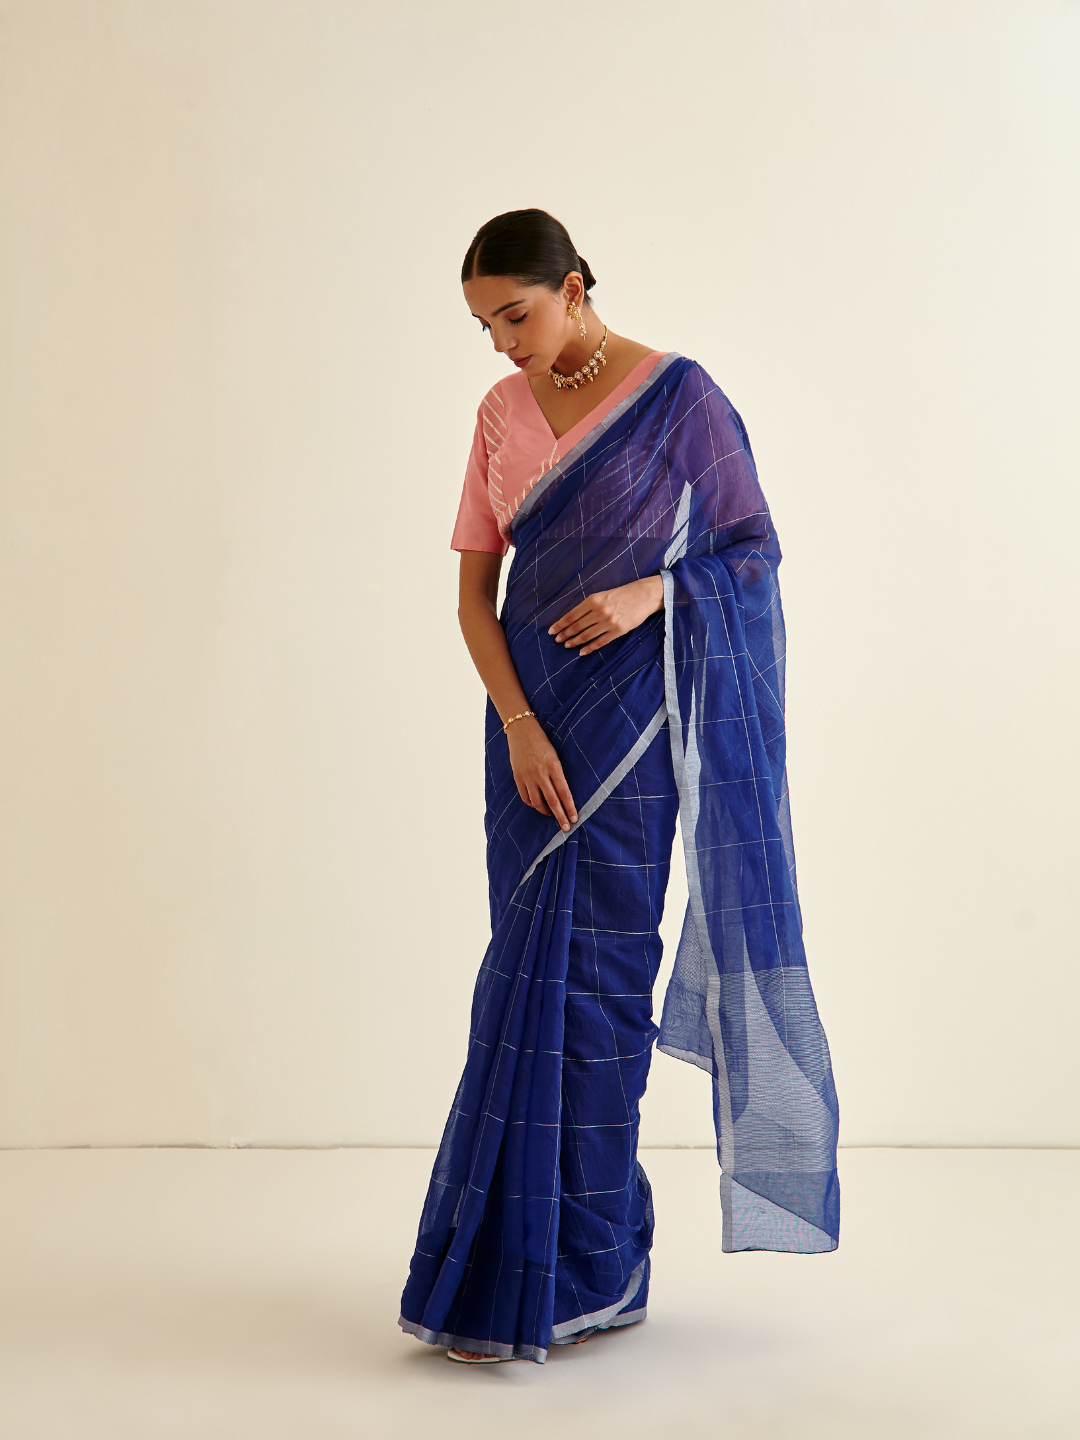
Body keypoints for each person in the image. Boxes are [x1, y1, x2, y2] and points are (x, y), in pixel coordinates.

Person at [398, 209, 839, 1365]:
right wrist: (519, 728)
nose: (504, 343)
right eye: (485, 326)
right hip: (528, 740)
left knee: (598, 996)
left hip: (633, 740)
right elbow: (473, 600)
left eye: (517, 315)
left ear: (575, 287)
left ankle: (595, 1269)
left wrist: (652, 595)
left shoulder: (681, 400)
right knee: (520, 987)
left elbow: (751, 557)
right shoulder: (498, 414)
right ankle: (496, 1274)